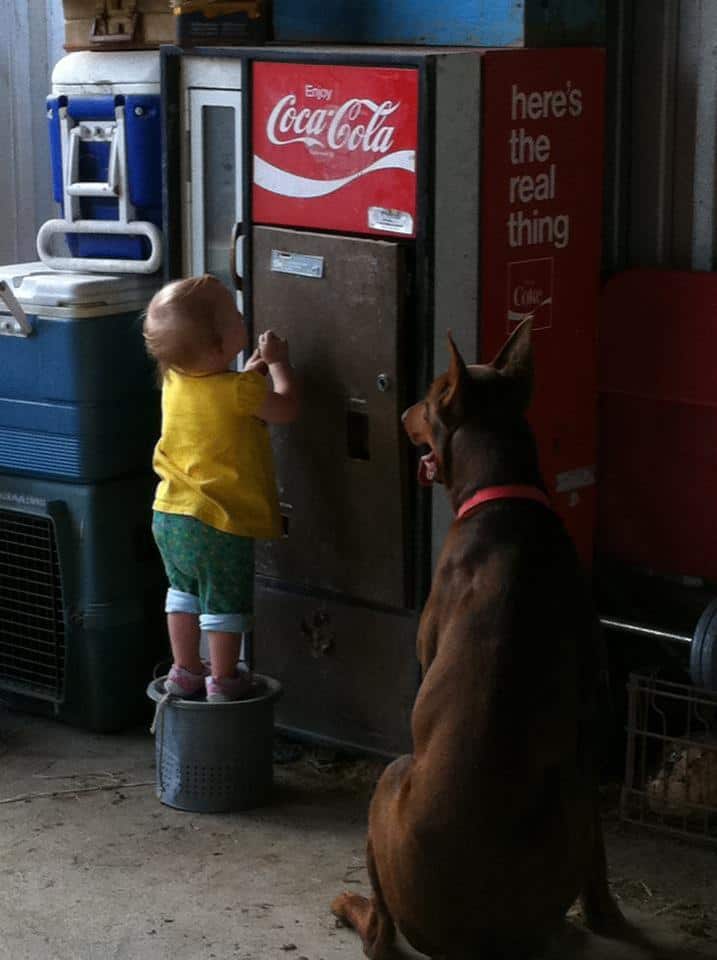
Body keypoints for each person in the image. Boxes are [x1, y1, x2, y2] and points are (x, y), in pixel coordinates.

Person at [143, 274, 299, 702]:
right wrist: (280, 363)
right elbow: (285, 406)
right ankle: (226, 680)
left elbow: (220, 399)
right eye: (232, 314)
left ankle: (185, 670)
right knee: (224, 604)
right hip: (218, 521)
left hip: (170, 515)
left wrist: (250, 371)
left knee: (184, 593)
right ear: (216, 348)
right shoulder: (241, 391)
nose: (241, 315)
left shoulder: (175, 380)